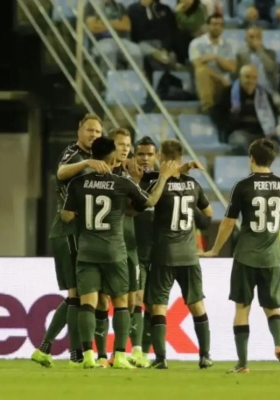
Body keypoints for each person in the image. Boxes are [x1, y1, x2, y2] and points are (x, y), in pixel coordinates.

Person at [61, 137, 177, 369]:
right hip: (114, 251)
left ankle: (88, 356)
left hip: (87, 250)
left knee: (88, 303)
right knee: (121, 303)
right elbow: (150, 201)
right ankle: (121, 356)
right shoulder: (121, 183)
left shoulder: (78, 183)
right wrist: (163, 177)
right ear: (112, 155)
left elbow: (66, 216)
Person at [200, 138, 280, 374]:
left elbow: (228, 222)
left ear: (251, 159)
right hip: (271, 258)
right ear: (272, 159)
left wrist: (215, 249)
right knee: (273, 308)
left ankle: (243, 364)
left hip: (245, 256)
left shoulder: (243, 186)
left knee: (242, 309)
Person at [31, 114, 107, 368]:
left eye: (98, 131)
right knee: (77, 294)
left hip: (79, 231)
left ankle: (61, 351)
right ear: (79, 131)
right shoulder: (73, 153)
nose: (94, 135)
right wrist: (87, 162)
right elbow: (61, 172)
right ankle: (55, 349)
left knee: (77, 295)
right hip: (67, 230)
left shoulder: (97, 159)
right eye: (90, 130)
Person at [143, 139, 214, 370]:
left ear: (161, 157)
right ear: (181, 158)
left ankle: (161, 358)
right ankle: (205, 356)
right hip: (189, 255)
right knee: (197, 305)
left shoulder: (156, 182)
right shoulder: (193, 184)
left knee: (158, 306)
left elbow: (147, 199)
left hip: (163, 254)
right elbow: (208, 216)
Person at [91, 128, 141, 368]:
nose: (125, 149)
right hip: (106, 245)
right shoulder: (101, 173)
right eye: (121, 144)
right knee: (102, 301)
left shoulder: (132, 174)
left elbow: (139, 207)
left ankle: (121, 352)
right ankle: (102, 354)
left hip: (129, 246)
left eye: (128, 145)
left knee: (131, 301)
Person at [128, 136, 158, 366]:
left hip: (159, 252)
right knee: (135, 299)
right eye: (141, 154)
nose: (145, 158)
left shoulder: (162, 182)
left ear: (157, 156)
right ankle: (136, 350)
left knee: (154, 303)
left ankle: (146, 352)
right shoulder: (127, 182)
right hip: (134, 250)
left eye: (149, 154)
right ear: (134, 156)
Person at [210, 64, 279, 155]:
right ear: (240, 77)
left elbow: (274, 116)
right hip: (238, 131)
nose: (251, 81)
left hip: (261, 133)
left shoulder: (265, 95)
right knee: (240, 143)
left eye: (254, 78)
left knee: (272, 146)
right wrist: (227, 127)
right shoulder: (227, 93)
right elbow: (217, 114)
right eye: (247, 77)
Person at [189, 13, 236, 111]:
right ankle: (208, 107)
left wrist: (216, 58)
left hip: (224, 85)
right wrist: (219, 77)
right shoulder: (196, 43)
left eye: (220, 25)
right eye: (214, 24)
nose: (217, 27)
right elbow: (196, 64)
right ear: (207, 26)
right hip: (207, 84)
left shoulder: (228, 45)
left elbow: (232, 68)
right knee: (201, 71)